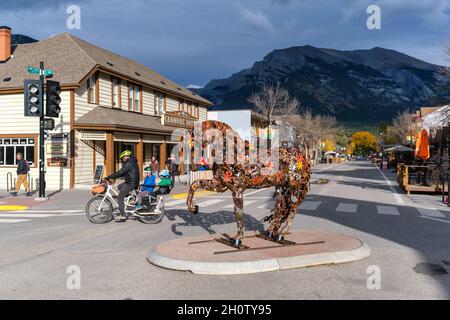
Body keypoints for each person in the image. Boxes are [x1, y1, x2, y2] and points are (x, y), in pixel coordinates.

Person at [105, 150, 140, 222]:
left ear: (126, 157)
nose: (123, 160)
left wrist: (109, 177)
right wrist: (118, 176)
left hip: (131, 183)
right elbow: (125, 172)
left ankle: (123, 215)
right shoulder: (132, 162)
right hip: (132, 182)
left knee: (120, 197)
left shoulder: (129, 163)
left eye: (123, 158)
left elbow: (121, 172)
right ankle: (130, 198)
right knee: (119, 186)